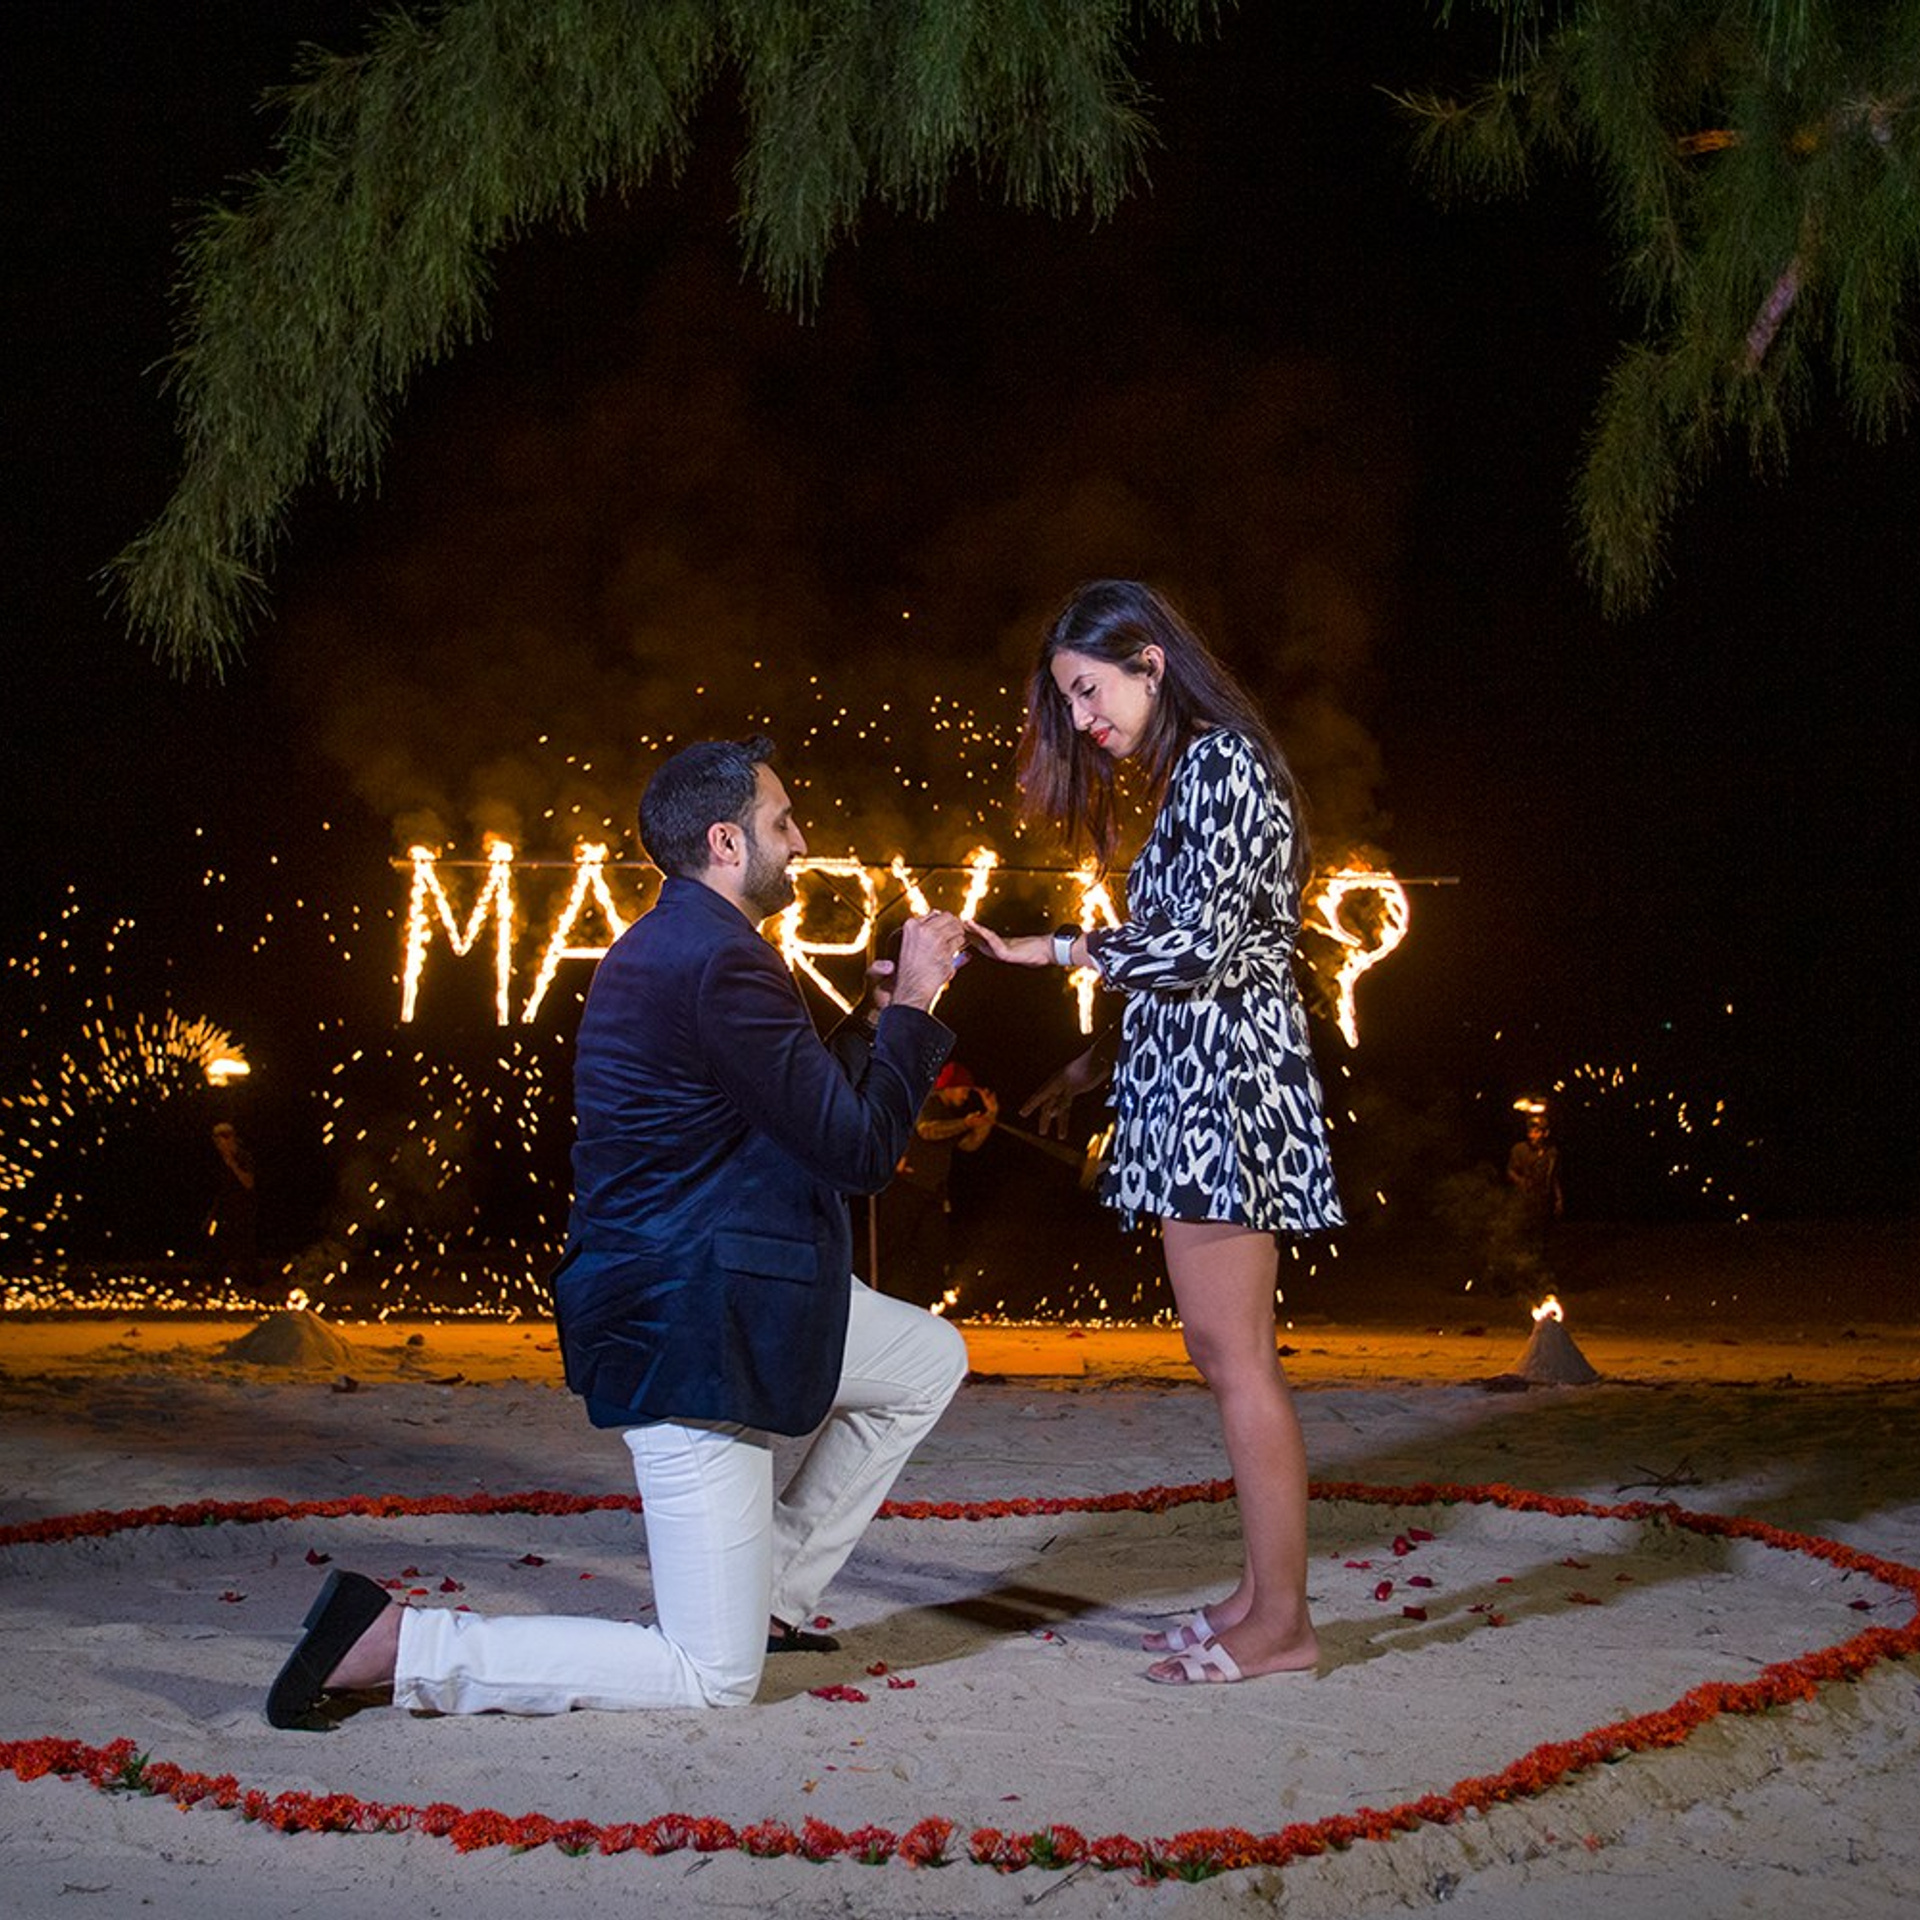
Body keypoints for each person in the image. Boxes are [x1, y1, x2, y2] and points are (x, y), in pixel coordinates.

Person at [267, 736, 970, 1727]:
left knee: (925, 1359)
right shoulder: (723, 961)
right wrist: (921, 1007)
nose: (802, 841)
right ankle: (399, 1645)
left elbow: (795, 1102)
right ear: (727, 842)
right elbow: (853, 1153)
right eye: (782, 823)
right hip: (690, 1328)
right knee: (710, 1680)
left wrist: (881, 1011)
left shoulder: (689, 947)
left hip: (725, 1289)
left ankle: (772, 1595)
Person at [967, 580, 1343, 1687]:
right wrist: (1095, 1065)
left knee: (1240, 1366)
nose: (1086, 720)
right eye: (1072, 702)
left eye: (1089, 692)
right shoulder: (1198, 775)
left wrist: (1048, 951)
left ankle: (1284, 1628)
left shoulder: (1223, 764)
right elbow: (1194, 950)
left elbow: (1197, 952)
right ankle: (1256, 1600)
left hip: (1225, 1093)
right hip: (1194, 1082)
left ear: (1149, 661)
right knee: (1228, 1359)